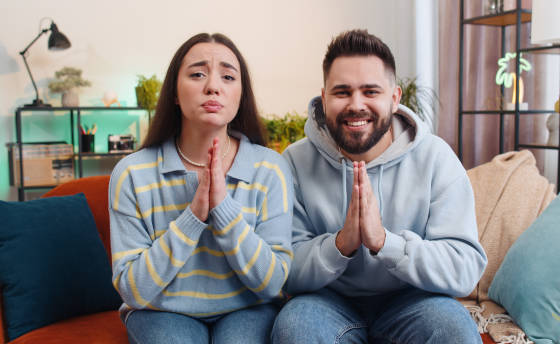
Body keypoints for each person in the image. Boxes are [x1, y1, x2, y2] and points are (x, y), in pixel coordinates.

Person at [271, 29, 487, 343]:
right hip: (326, 301)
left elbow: (464, 269)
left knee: (454, 329)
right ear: (324, 96)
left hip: (414, 298)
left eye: (371, 91)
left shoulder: (435, 158)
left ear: (394, 98)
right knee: (296, 328)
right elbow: (284, 268)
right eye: (342, 92)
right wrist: (341, 245)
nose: (356, 104)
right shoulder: (294, 161)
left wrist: (386, 243)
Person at [109, 33, 293, 344]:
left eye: (228, 76)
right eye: (197, 74)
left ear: (240, 95)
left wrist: (223, 211)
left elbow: (273, 283)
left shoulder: (270, 169)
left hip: (247, 308)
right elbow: (134, 290)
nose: (212, 86)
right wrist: (193, 216)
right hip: (160, 311)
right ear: (175, 94)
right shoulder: (132, 173)